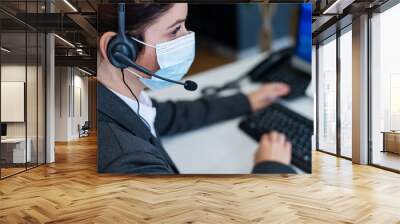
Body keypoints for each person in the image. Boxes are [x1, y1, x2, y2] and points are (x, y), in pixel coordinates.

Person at [97, 3, 296, 174]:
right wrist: (271, 168)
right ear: (118, 49)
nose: (187, 37)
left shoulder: (112, 100)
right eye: (175, 30)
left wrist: (247, 101)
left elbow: (172, 115)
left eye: (184, 24)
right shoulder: (125, 161)